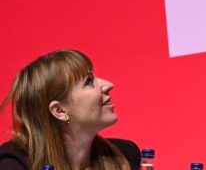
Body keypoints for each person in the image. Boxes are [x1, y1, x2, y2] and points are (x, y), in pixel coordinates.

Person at [0, 50, 140, 170]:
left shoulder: (126, 156)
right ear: (60, 110)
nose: (109, 85)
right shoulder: (13, 163)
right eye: (89, 81)